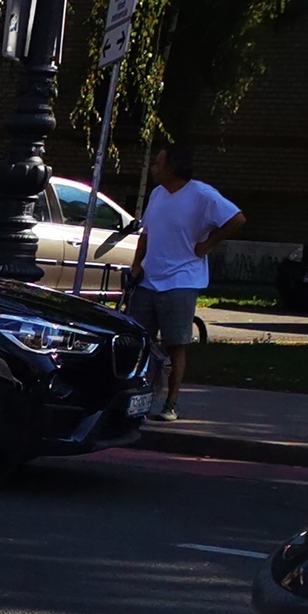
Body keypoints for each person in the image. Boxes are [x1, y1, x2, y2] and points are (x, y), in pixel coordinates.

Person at [129, 141, 243, 421]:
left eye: (158, 163)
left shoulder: (202, 195)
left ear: (173, 167)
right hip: (149, 280)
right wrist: (136, 263)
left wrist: (208, 244)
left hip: (181, 280)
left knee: (175, 343)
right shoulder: (158, 193)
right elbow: (146, 233)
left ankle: (171, 402)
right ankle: (140, 400)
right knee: (139, 342)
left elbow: (237, 219)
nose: (154, 168)